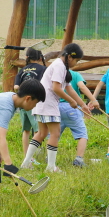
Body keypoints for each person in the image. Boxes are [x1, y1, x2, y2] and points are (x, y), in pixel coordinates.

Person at [21, 43, 87, 173]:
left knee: (42, 133)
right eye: (76, 60)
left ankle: (25, 162)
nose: (76, 63)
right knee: (55, 133)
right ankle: (51, 167)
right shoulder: (59, 66)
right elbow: (56, 88)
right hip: (48, 103)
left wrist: (82, 104)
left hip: (42, 103)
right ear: (70, 57)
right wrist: (71, 102)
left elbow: (69, 88)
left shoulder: (61, 66)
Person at [59, 70, 100, 167]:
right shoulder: (75, 74)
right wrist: (93, 100)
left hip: (56, 107)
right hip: (72, 107)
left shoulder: (57, 72)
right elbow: (81, 86)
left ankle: (49, 158)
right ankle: (79, 159)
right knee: (82, 134)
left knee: (53, 134)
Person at [13, 48, 47, 162]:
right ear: (39, 58)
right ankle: (34, 156)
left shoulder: (22, 70)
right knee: (38, 130)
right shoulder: (43, 69)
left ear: (27, 58)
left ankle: (26, 157)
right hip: (34, 102)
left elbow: (16, 87)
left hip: (23, 102)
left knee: (26, 130)